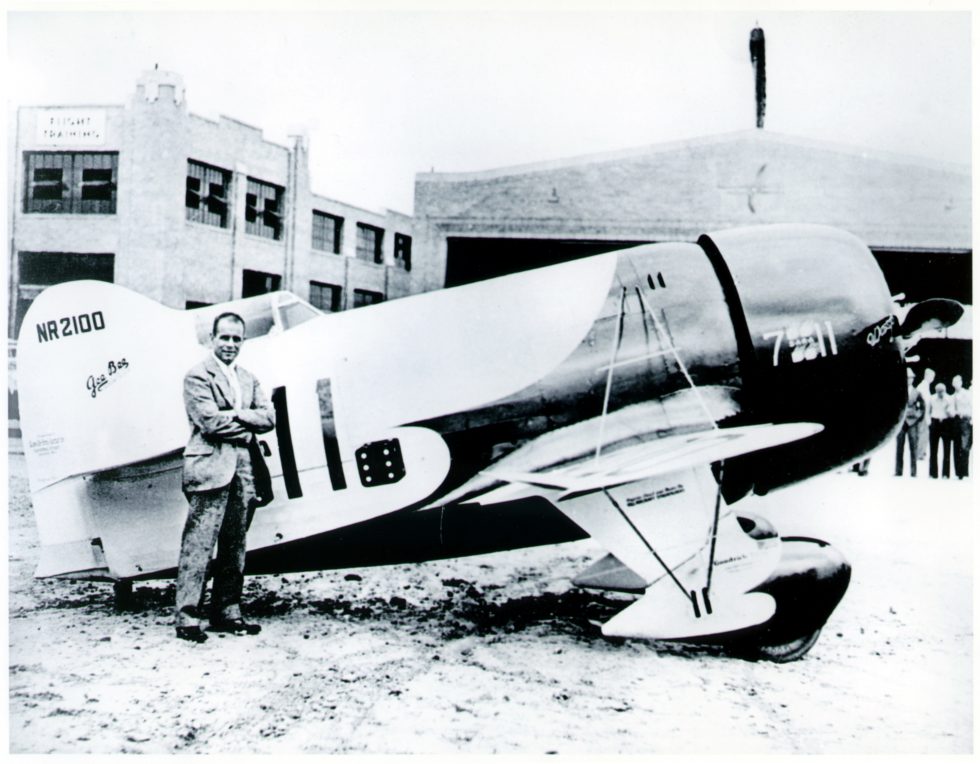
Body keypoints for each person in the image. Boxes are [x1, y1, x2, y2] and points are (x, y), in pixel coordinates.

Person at [175, 312, 275, 643]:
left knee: (235, 545)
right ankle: (188, 617)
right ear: (212, 339)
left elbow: (269, 418)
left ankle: (228, 612)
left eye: (236, 339)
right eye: (224, 338)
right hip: (209, 469)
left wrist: (235, 415)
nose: (230, 344)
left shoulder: (248, 378)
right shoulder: (197, 376)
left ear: (242, 342)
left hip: (242, 471)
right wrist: (246, 430)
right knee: (199, 543)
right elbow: (209, 423)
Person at [895, 367, 925, 477]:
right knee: (899, 447)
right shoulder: (899, 390)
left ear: (913, 379)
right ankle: (898, 471)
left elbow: (922, 407)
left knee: (913, 447)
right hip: (901, 423)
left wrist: (917, 416)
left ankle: (913, 472)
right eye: (907, 378)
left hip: (912, 422)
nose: (908, 380)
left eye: (910, 378)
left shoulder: (917, 392)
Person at [928, 382, 953, 479]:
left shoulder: (949, 399)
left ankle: (945, 474)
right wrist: (930, 422)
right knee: (933, 449)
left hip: (946, 423)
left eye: (942, 392)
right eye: (939, 392)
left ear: (945, 391)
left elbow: (951, 413)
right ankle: (933, 473)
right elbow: (928, 411)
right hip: (935, 422)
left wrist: (947, 408)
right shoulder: (932, 398)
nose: (940, 394)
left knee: (947, 448)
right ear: (936, 391)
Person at [950, 375, 972, 479]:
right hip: (956, 421)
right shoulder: (953, 396)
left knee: (964, 446)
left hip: (965, 421)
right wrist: (953, 412)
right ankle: (958, 473)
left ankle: (965, 471)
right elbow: (950, 409)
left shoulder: (967, 394)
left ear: (961, 382)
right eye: (953, 382)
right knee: (956, 446)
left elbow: (972, 407)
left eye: (957, 382)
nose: (955, 384)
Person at [915, 368, 935, 463]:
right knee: (923, 433)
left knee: (924, 433)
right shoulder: (922, 386)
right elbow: (921, 401)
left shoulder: (925, 386)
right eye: (932, 376)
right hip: (923, 413)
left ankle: (921, 452)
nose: (933, 378)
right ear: (927, 376)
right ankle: (920, 453)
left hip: (925, 413)